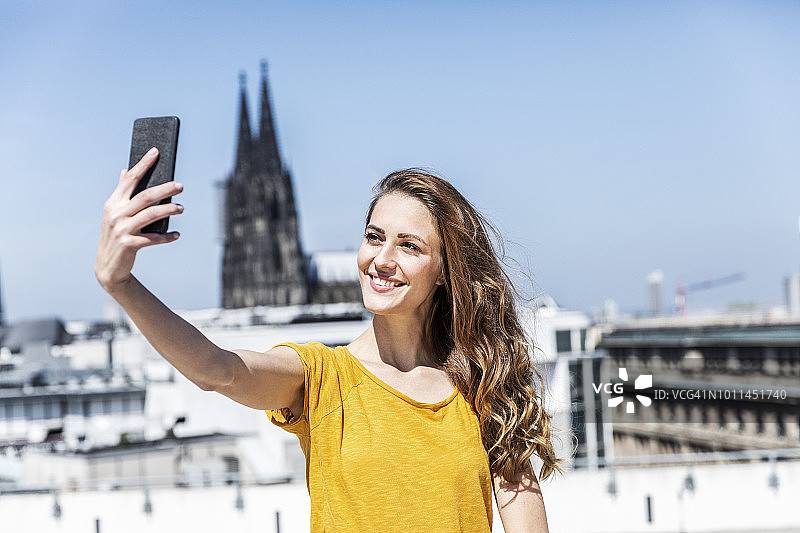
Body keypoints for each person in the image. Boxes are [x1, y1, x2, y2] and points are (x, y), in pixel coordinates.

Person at [95, 148, 562, 532]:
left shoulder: (480, 383)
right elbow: (217, 370)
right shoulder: (323, 379)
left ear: (445, 271)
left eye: (409, 245)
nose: (382, 258)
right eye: (374, 237)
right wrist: (122, 285)